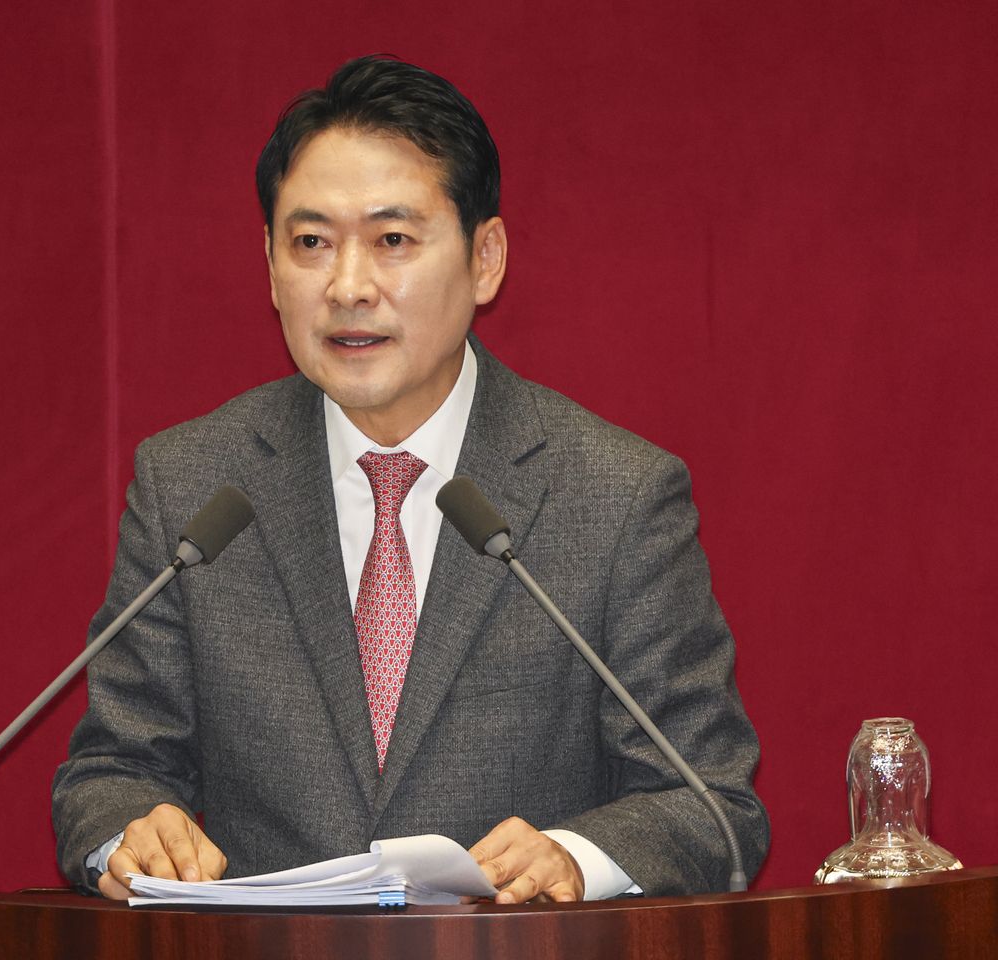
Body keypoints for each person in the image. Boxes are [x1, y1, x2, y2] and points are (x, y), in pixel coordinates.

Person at [52, 55, 768, 903]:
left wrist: (577, 857)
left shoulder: (614, 496)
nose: (349, 287)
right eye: (310, 243)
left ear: (486, 257)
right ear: (271, 264)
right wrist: (132, 830)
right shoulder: (194, 485)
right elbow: (110, 771)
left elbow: (710, 802)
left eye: (393, 241)